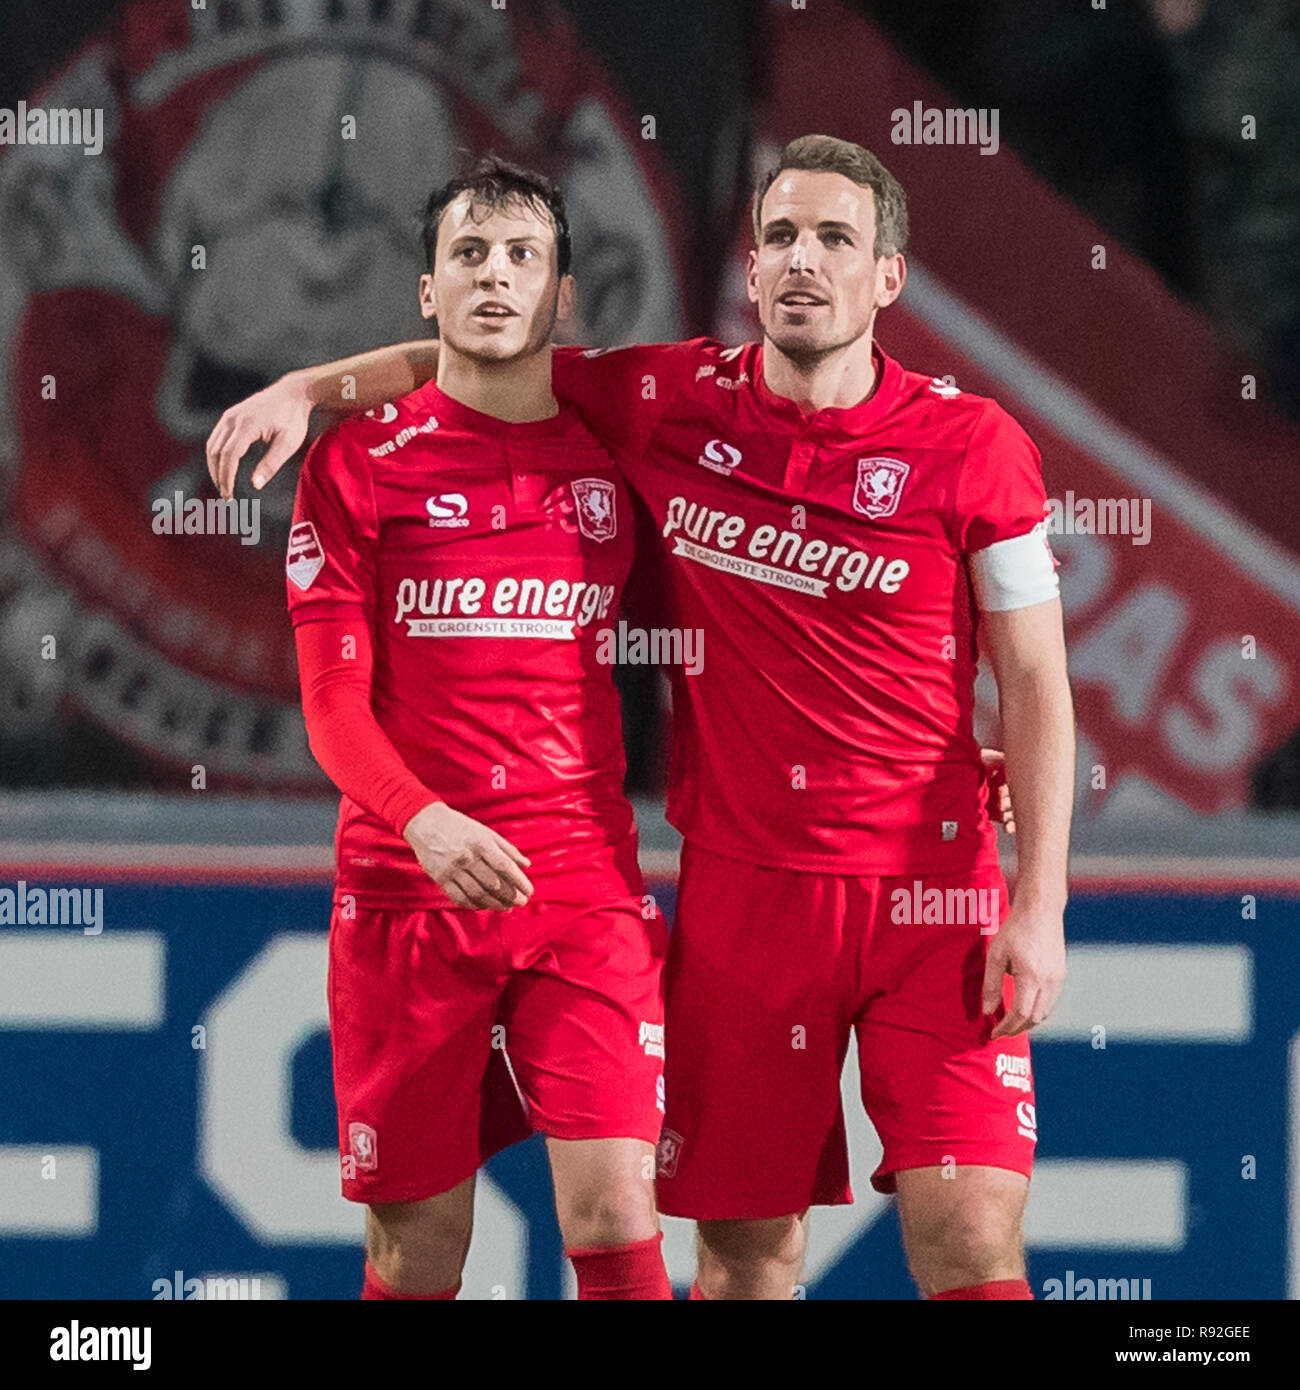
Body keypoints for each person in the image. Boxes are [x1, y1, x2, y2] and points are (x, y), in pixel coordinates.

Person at [209, 134, 1071, 1301]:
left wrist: (1039, 897)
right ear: (750, 271)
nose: (802, 260)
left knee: (968, 1237)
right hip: (740, 901)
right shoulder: (666, 404)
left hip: (932, 894)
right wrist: (312, 387)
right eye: (779, 237)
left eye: (835, 238)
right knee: (737, 1253)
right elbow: (483, 354)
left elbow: (1037, 684)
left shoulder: (974, 448)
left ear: (888, 277)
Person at [284, 154, 672, 1301]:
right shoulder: (357, 467)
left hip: (583, 893)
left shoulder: (620, 458)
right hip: (410, 897)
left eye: (521, 258)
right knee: (418, 1253)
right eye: (468, 254)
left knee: (614, 1208)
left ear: (560, 297)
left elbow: (761, 622)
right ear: (427, 290)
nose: (493, 278)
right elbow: (329, 709)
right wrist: (426, 823)